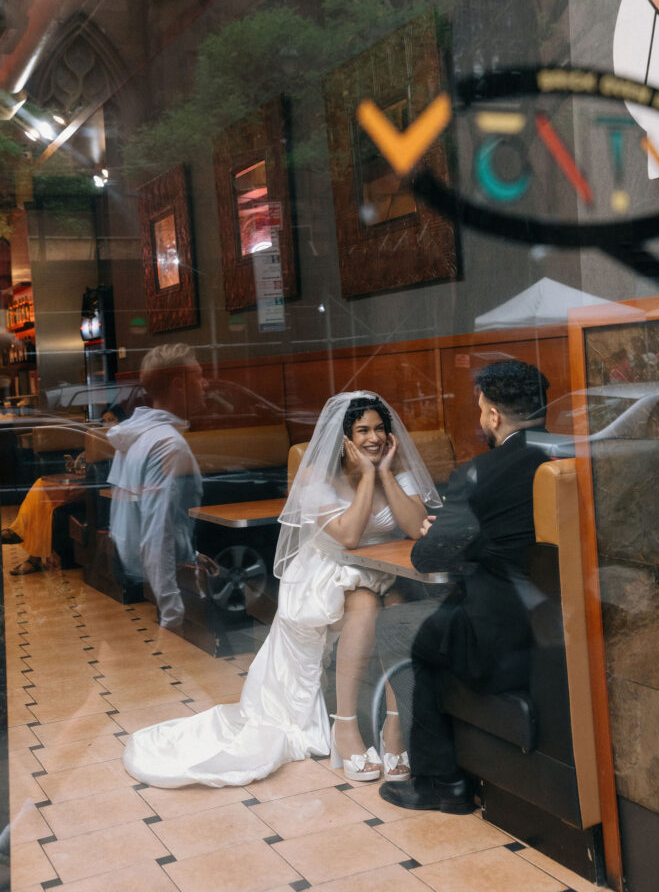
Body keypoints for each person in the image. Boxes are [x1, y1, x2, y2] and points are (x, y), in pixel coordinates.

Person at [122, 390, 441, 788]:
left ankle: (394, 731)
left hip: (382, 568)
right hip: (326, 571)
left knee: (399, 603)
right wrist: (366, 480)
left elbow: (413, 528)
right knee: (364, 605)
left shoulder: (396, 468)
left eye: (379, 429)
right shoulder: (317, 477)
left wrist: (387, 473)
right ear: (344, 438)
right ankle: (346, 727)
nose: (373, 439)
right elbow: (349, 537)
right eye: (362, 431)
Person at [375, 359, 550, 813]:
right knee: (433, 631)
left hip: (504, 640)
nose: (480, 419)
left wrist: (446, 534)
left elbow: (426, 558)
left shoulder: (480, 475)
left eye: (480, 409)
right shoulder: (569, 455)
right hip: (559, 625)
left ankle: (440, 783)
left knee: (398, 626)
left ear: (493, 415)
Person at [107, 343, 217, 628]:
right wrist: (172, 610)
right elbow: (157, 531)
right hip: (170, 586)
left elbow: (137, 521)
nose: (205, 383)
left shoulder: (138, 435)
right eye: (197, 375)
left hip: (142, 573)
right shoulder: (168, 444)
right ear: (179, 383)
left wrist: (190, 553)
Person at [3, 403, 127, 574]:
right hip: (87, 487)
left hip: (99, 493)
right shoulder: (99, 441)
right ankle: (30, 550)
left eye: (111, 419)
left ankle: (24, 539)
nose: (107, 425)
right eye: (104, 421)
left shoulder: (123, 440)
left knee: (44, 495)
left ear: (121, 420)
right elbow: (85, 467)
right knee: (44, 493)